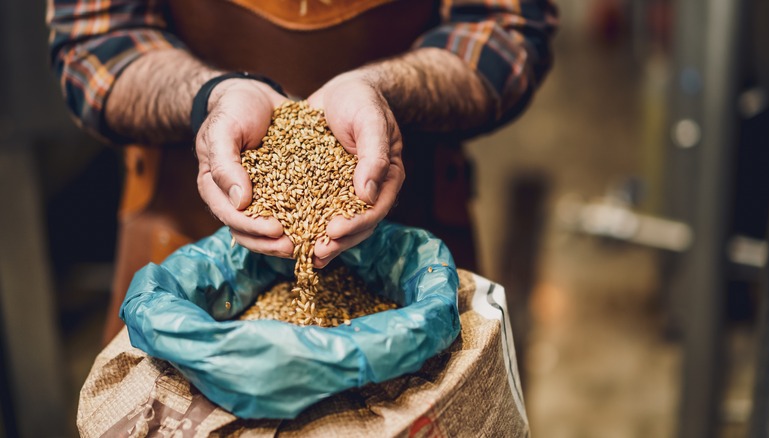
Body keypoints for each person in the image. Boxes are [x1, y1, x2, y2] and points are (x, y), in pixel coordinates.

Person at [47, 0, 558, 344]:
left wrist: (386, 89)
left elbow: (504, 30)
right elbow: (96, 44)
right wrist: (212, 98)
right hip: (181, 228)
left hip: (411, 227)